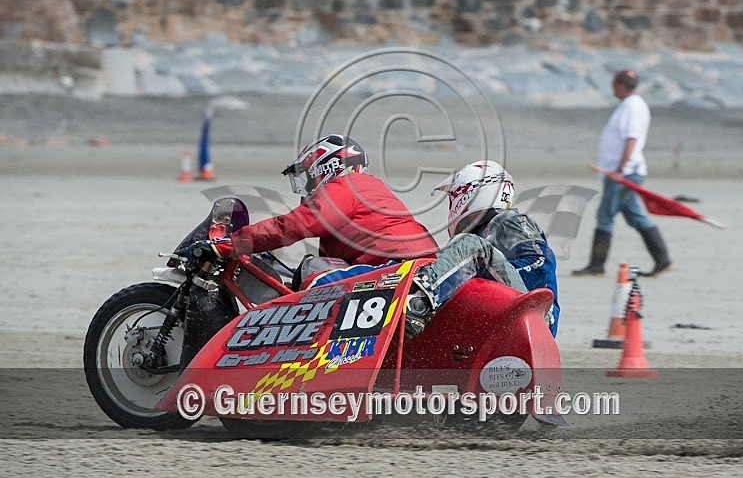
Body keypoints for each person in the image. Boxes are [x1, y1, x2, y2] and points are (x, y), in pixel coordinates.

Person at [187, 134, 438, 273]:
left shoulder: (344, 186)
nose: (307, 186)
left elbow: (295, 226)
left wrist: (230, 244)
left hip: (394, 267)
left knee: (315, 271)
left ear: (327, 167)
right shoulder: (369, 186)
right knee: (310, 273)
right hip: (410, 264)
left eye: (309, 175)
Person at [404, 160, 560, 339]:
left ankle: (416, 303)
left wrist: (482, 276)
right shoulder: (486, 233)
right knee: (454, 267)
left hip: (536, 313)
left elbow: (540, 263)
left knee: (471, 246)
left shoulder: (509, 221)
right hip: (516, 314)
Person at [573, 69, 672, 278]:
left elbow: (632, 138)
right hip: (623, 172)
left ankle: (596, 265)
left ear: (620, 85)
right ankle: (662, 260)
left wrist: (620, 169)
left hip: (623, 174)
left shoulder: (632, 106)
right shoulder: (629, 105)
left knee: (605, 216)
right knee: (635, 216)